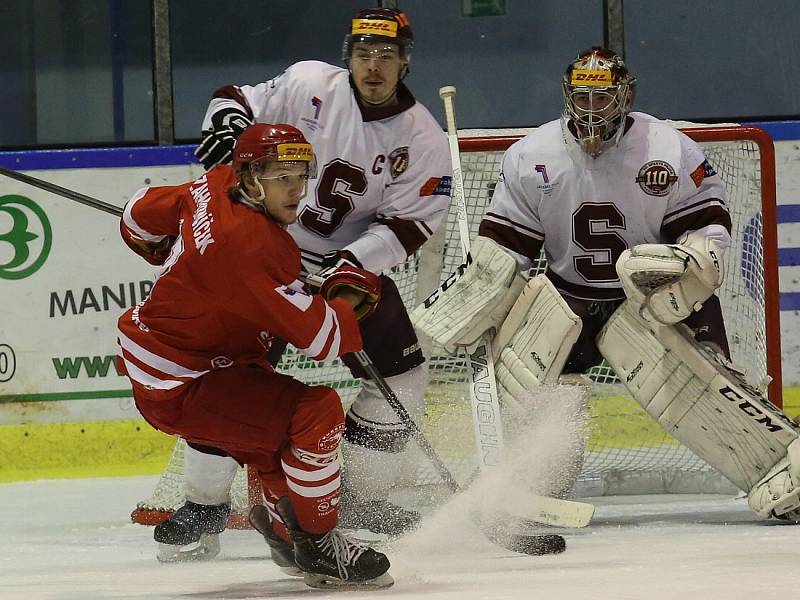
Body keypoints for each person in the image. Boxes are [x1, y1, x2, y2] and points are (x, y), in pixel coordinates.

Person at [413, 47, 800, 520]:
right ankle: (525, 489)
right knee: (534, 397)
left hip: (651, 298)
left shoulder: (668, 147)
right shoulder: (531, 156)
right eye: (583, 97)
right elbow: (507, 250)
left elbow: (707, 223)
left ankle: (784, 470)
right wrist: (480, 287)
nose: (591, 109)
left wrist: (697, 259)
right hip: (567, 303)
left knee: (711, 392)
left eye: (602, 97)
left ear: (627, 96)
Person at [159, 5, 451, 552]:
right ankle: (203, 504)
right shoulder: (309, 82)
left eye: (387, 55)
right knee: (227, 377)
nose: (374, 65)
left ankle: (360, 497)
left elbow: (411, 223)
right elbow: (235, 98)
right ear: (350, 55)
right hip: (263, 256)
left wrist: (356, 261)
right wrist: (226, 124)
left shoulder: (423, 137)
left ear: (405, 62)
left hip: (345, 266)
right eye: (364, 52)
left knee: (404, 376)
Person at [117, 122, 394, 588]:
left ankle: (286, 531)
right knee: (317, 411)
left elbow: (136, 214)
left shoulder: (215, 181)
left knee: (272, 440)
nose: (296, 190)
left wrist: (165, 251)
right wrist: (348, 298)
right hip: (188, 378)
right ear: (250, 178)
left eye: (300, 175)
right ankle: (321, 545)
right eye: (280, 177)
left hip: (186, 357)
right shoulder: (248, 246)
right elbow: (325, 340)